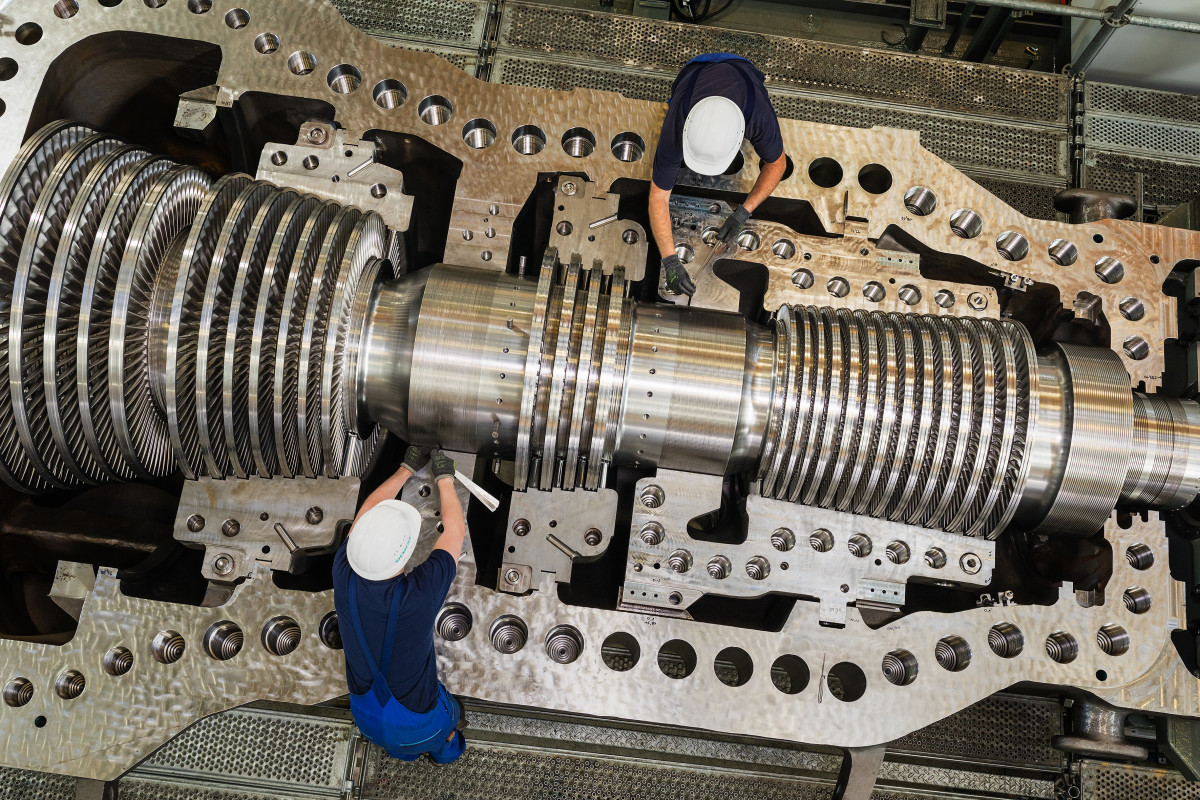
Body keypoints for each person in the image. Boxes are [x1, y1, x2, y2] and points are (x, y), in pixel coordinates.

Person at [332, 446, 468, 763]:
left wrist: (406, 467)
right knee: (450, 724)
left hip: (375, 720)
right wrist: (444, 474)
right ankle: (441, 749)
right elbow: (456, 529)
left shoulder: (344, 567)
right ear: (405, 557)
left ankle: (427, 748)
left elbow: (368, 514)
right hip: (376, 722)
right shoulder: (415, 597)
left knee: (437, 735)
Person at [650, 53, 789, 296]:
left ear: (740, 137)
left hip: (744, 69)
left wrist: (743, 213)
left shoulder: (758, 115)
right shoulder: (678, 122)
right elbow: (657, 197)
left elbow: (777, 165)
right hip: (694, 70)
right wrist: (671, 261)